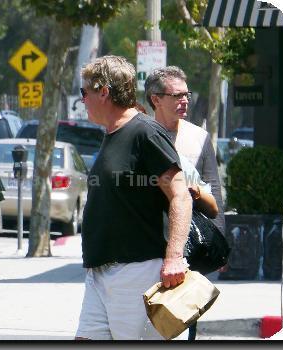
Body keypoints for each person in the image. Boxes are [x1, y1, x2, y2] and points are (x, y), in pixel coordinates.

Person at [75, 55, 193, 340]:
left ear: (104, 92)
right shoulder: (111, 134)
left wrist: (175, 257)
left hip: (137, 272)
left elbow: (181, 195)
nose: (82, 100)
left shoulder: (145, 132)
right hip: (100, 273)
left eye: (84, 92)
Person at [145, 66, 225, 340]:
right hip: (145, 243)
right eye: (177, 95)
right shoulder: (140, 134)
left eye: (186, 94)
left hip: (186, 246)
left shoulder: (198, 137)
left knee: (183, 317)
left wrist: (219, 242)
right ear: (156, 99)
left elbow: (213, 189)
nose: (185, 101)